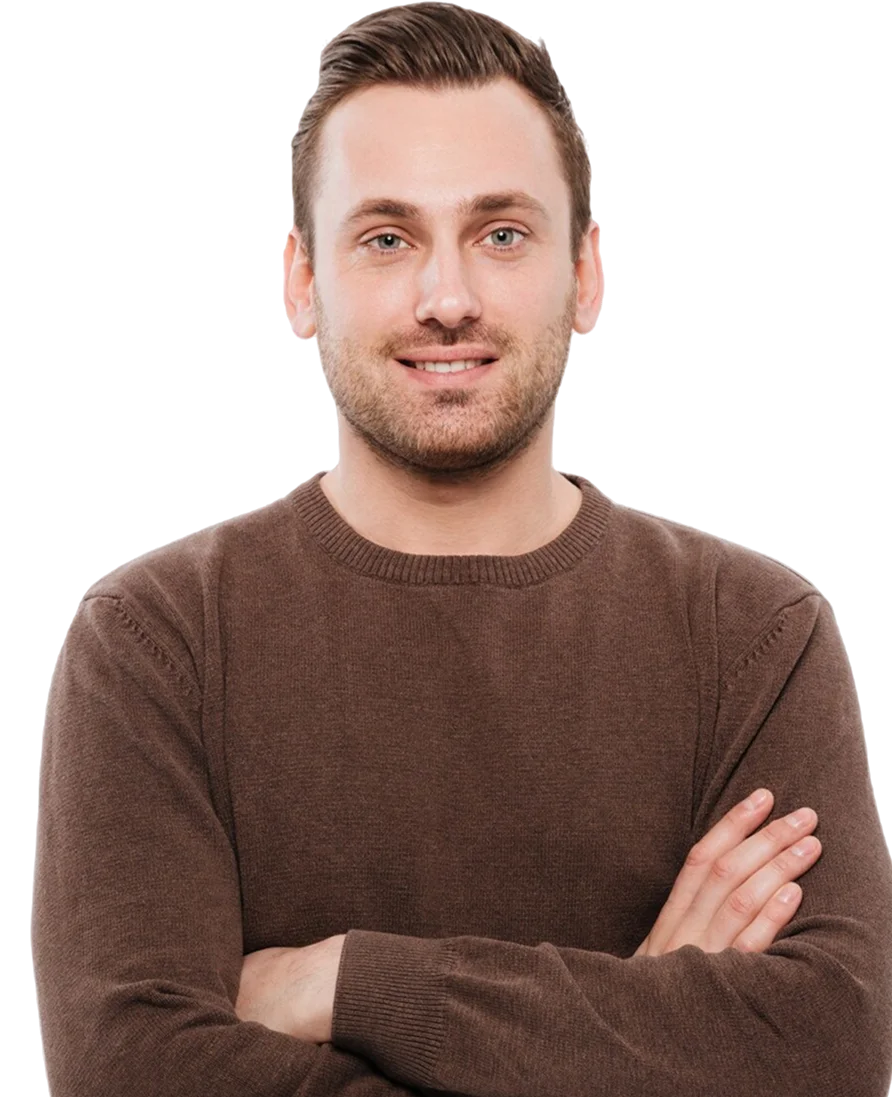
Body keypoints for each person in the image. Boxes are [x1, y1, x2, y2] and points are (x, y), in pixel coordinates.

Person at [34, 4, 891, 1095]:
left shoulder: (755, 637)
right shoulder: (156, 644)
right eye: (387, 238)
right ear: (302, 282)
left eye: (501, 234)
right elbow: (131, 1068)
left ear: (587, 273)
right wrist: (637, 1014)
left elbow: (825, 1052)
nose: (447, 300)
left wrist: (349, 983)